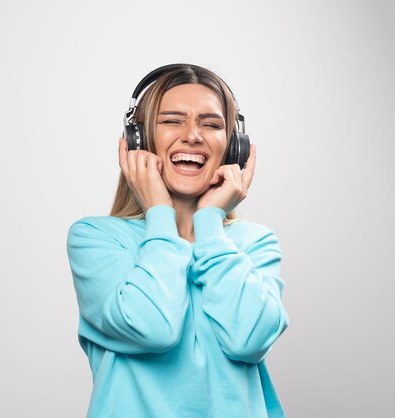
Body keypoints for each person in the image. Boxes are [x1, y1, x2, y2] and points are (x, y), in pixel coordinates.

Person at [66, 64, 289, 418]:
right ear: (139, 140)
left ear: (233, 147)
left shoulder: (254, 242)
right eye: (172, 120)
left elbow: (249, 339)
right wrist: (158, 210)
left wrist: (210, 223)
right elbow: (152, 327)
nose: (193, 136)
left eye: (211, 124)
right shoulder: (97, 238)